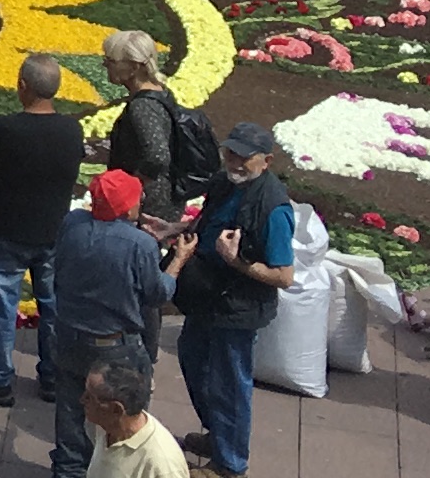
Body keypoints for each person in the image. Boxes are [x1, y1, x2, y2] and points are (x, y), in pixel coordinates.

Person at [170, 121, 295, 477]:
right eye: (231, 153)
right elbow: (208, 222)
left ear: (266, 161)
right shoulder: (224, 183)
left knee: (230, 381)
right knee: (193, 358)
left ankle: (230, 463)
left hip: (238, 306)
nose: (235, 162)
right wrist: (175, 229)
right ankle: (219, 434)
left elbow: (284, 276)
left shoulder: (273, 208)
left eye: (244, 157)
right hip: (207, 295)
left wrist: (237, 262)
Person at [0, 54, 86, 407]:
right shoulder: (71, 129)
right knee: (52, 307)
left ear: (22, 86)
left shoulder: (5, 127)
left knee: (3, 307)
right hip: (53, 233)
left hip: (9, 231)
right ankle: (51, 378)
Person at [49, 172, 172, 478]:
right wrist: (179, 259)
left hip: (69, 335)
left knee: (70, 406)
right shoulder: (140, 244)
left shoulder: (73, 223)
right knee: (125, 409)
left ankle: (68, 469)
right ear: (127, 206)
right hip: (115, 346)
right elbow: (158, 293)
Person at [81, 356, 186, 478]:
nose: (82, 400)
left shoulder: (162, 466)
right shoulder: (106, 428)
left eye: (90, 397)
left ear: (116, 410)